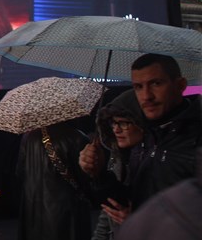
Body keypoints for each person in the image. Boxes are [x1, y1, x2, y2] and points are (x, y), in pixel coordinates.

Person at [79, 53, 201, 209]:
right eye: (138, 87)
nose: (146, 96)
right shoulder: (146, 136)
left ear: (180, 85)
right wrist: (99, 174)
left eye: (156, 84)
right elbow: (130, 199)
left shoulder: (194, 136)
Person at [16, 120, 92, 240]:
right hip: (67, 218)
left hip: (38, 217)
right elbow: (88, 179)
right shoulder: (78, 138)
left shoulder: (30, 137)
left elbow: (20, 173)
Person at [79, 90, 146, 240]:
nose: (116, 129)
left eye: (123, 122)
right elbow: (109, 212)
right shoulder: (118, 159)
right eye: (113, 123)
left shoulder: (154, 162)